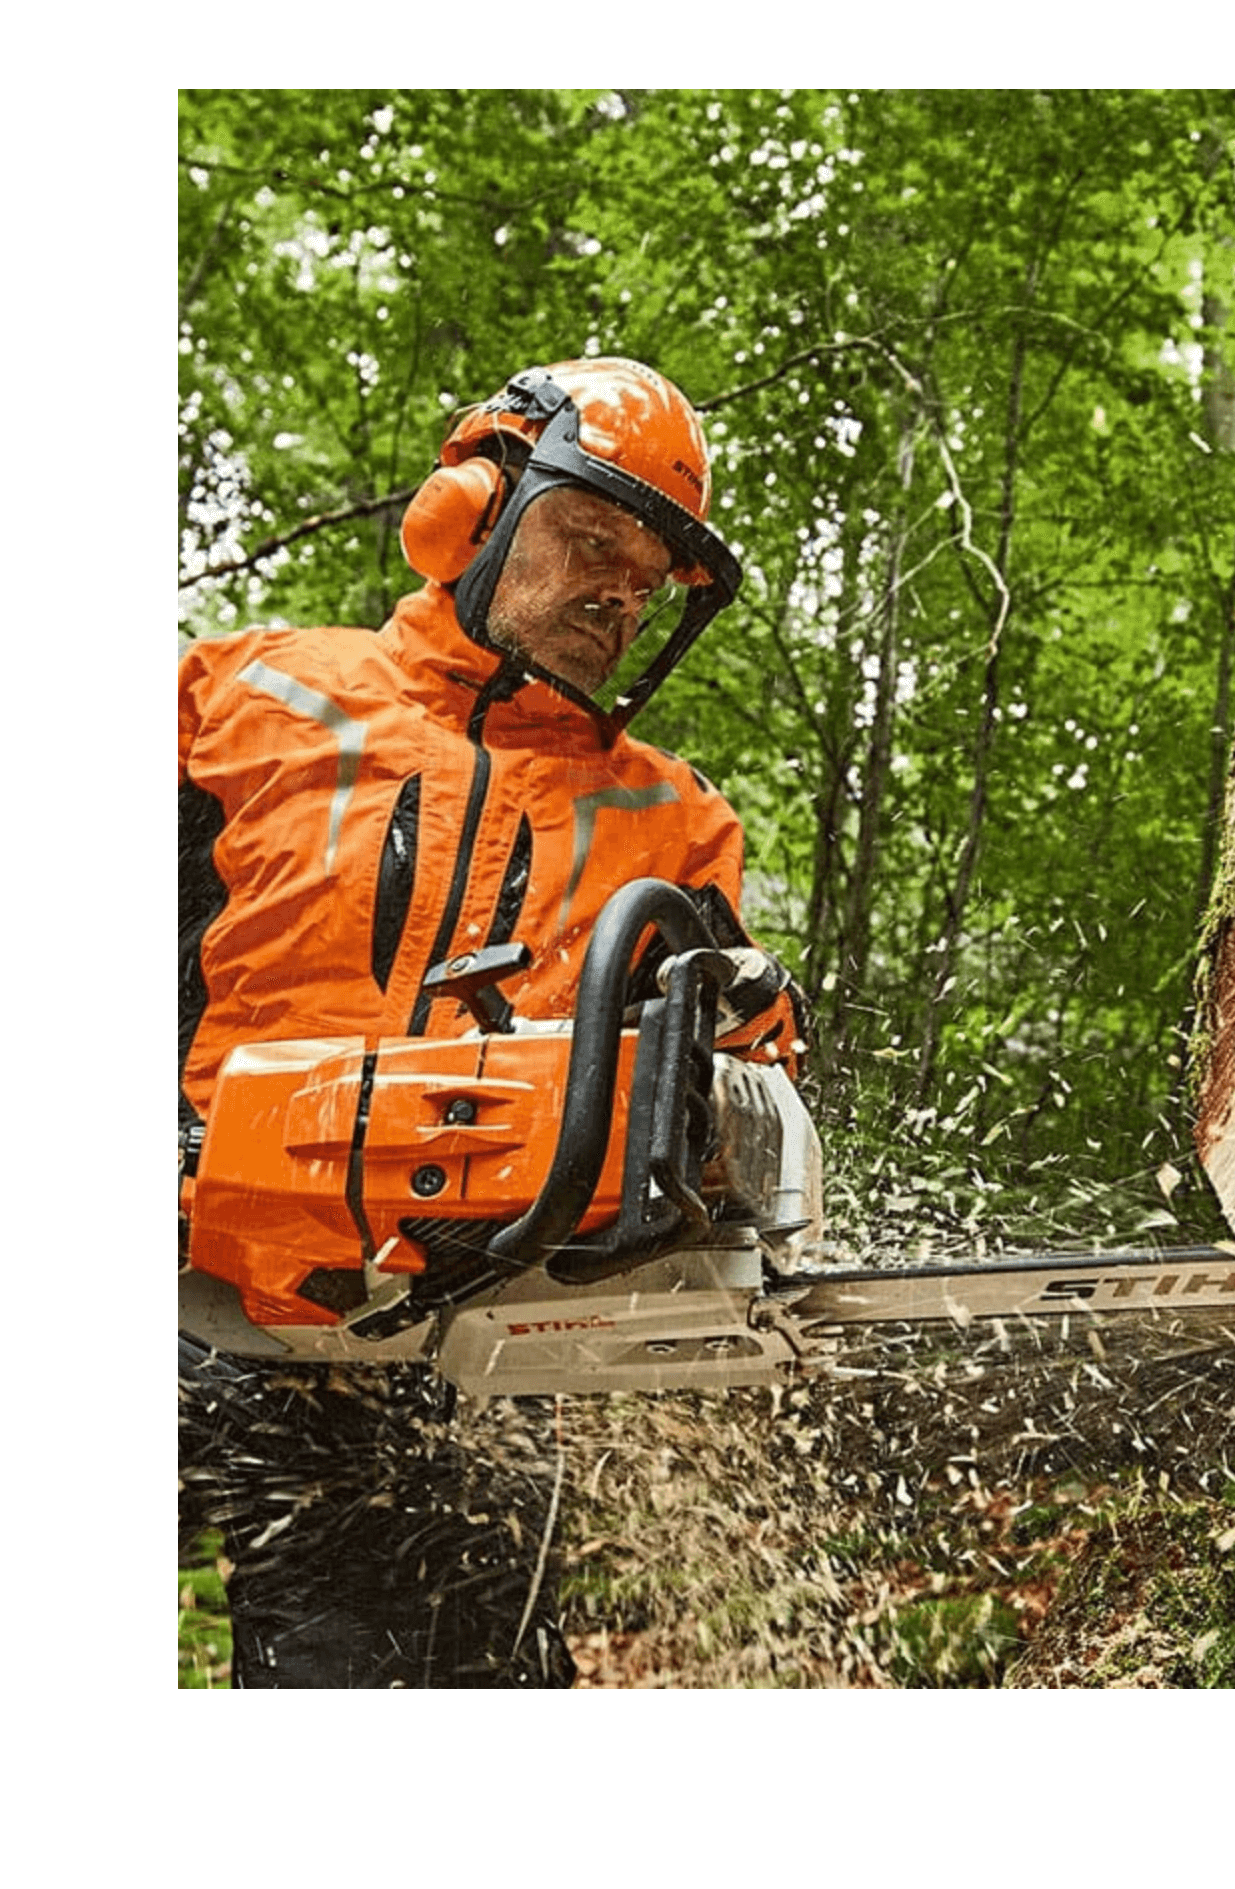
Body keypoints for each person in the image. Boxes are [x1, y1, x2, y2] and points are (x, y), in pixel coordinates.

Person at [178, 357, 805, 1687]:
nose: (616, 596)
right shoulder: (246, 703)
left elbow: (734, 1075)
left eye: (646, 580)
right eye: (592, 542)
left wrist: (733, 1112)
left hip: (449, 1347)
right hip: (189, 1276)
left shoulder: (671, 820)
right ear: (467, 512)